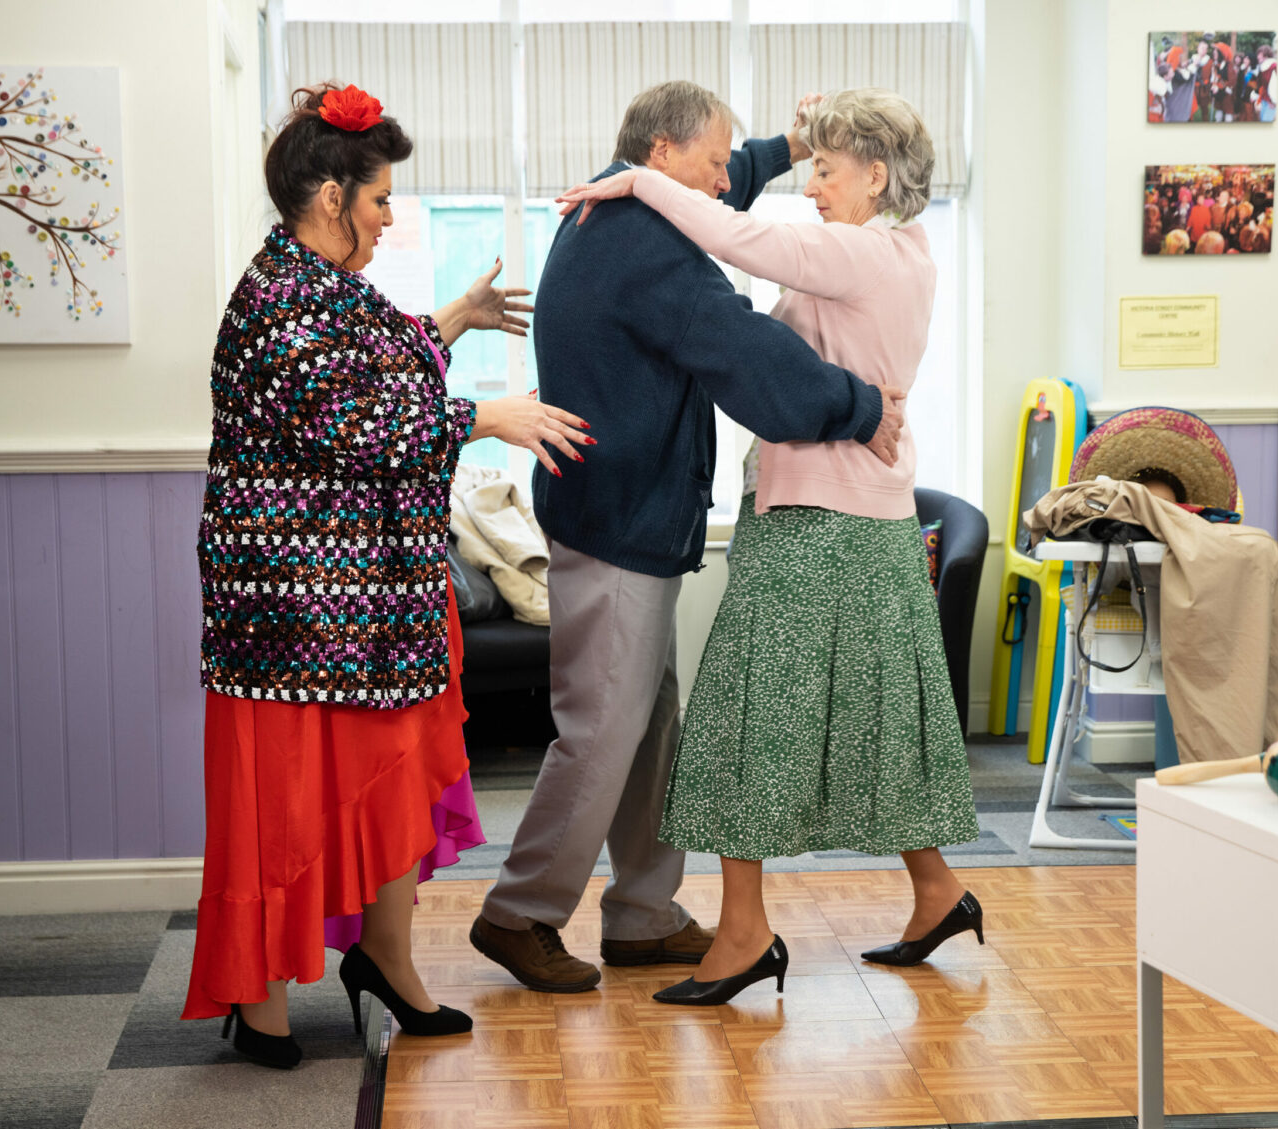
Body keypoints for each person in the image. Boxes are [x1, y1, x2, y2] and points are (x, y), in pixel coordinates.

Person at [182, 83, 591, 1066]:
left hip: (373, 610)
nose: (389, 215)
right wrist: (489, 416)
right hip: (292, 618)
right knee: (287, 805)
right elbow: (358, 423)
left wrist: (451, 317)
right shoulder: (277, 299)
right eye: (378, 199)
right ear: (330, 194)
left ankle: (389, 963)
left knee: (389, 783)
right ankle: (261, 999)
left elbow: (377, 363)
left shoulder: (324, 287)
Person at [468, 80, 905, 993]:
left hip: (622, 514)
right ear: (661, 160)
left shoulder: (623, 205)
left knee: (649, 722)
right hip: (620, 519)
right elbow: (743, 350)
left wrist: (785, 146)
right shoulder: (651, 248)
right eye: (711, 162)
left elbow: (724, 190)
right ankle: (519, 912)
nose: (725, 182)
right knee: (601, 730)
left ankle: (641, 913)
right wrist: (859, 407)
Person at [555, 87, 982, 1006]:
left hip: (818, 519)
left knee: (740, 723)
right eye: (811, 166)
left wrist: (634, 184)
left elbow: (736, 235)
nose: (811, 185)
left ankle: (744, 934)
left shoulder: (863, 252)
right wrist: (776, 147)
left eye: (827, 169)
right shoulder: (900, 250)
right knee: (876, 724)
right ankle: (938, 889)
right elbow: (753, 284)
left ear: (877, 174)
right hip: (857, 516)